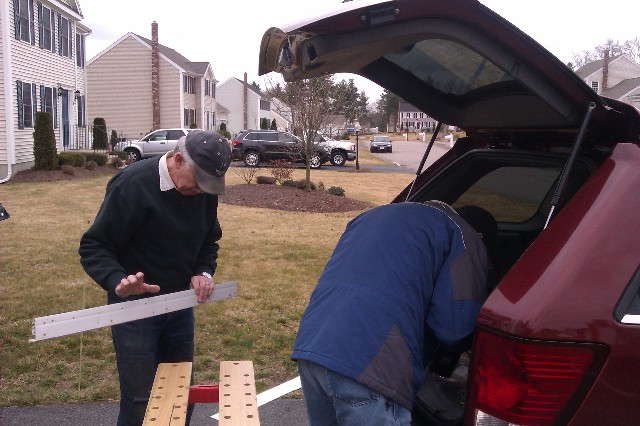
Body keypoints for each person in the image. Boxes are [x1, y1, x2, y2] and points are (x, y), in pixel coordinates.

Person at [291, 201, 498, 425]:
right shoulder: (464, 234)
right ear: (481, 237)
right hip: (369, 365)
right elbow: (454, 328)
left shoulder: (373, 216)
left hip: (312, 347)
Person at [78, 130, 231, 426]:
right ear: (177, 160)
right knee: (141, 401)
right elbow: (95, 245)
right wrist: (118, 280)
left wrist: (202, 271)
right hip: (134, 309)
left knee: (180, 395)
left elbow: (209, 240)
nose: (202, 190)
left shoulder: (203, 191)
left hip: (178, 304)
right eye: (199, 181)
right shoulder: (133, 185)